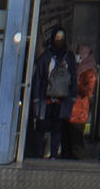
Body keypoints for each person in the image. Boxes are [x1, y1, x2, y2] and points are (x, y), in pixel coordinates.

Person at [30, 26, 77, 162]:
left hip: (58, 98)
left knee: (55, 127)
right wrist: (37, 97)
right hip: (47, 98)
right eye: (57, 37)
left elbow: (73, 76)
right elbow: (39, 77)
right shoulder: (49, 57)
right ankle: (42, 154)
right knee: (43, 127)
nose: (59, 40)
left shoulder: (60, 56)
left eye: (61, 38)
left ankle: (53, 154)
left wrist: (72, 95)